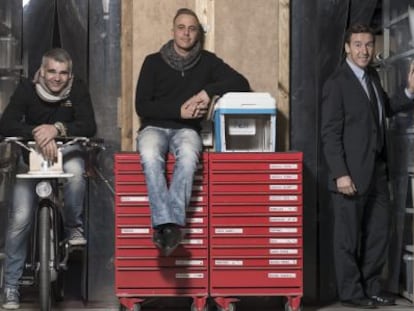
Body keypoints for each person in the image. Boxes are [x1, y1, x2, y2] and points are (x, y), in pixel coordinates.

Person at [135, 8, 250, 256]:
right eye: (181, 27)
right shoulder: (153, 61)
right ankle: (167, 225)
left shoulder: (208, 62)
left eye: (192, 28)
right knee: (149, 154)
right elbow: (142, 106)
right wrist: (179, 110)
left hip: (187, 131)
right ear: (173, 30)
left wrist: (207, 92)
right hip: (154, 127)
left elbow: (242, 83)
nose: (186, 33)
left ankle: (169, 226)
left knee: (188, 157)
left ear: (197, 33)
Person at [321, 23, 414, 309]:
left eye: (369, 44)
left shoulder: (372, 76)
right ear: (347, 48)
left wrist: (409, 91)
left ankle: (372, 287)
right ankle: (351, 293)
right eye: (358, 45)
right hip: (349, 174)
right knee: (347, 239)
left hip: (376, 171)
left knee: (378, 233)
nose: (364, 50)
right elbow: (330, 133)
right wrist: (341, 174)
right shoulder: (336, 83)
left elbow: (385, 108)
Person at [0, 48, 96, 309]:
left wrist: (57, 130)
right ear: (41, 72)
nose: (57, 78)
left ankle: (74, 227)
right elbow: (6, 123)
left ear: (70, 75)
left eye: (63, 73)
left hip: (67, 152)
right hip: (31, 154)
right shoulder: (25, 89)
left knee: (77, 173)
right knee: (19, 218)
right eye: (51, 71)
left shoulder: (78, 90)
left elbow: (89, 125)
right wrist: (38, 133)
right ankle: (11, 286)